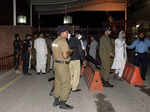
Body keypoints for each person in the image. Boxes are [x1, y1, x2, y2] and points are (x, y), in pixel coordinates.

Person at [51, 26, 73, 110]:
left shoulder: (55, 41)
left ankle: (56, 100)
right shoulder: (63, 41)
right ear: (62, 33)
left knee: (58, 82)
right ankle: (63, 102)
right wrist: (70, 51)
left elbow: (53, 54)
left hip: (56, 64)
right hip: (63, 65)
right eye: (67, 32)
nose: (68, 34)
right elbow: (65, 55)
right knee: (66, 83)